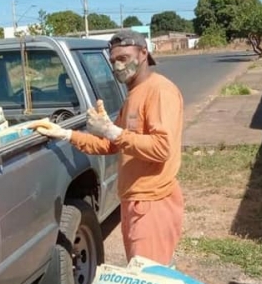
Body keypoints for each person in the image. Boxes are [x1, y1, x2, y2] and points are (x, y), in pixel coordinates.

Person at [30, 30, 185, 266]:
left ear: (143, 54)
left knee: (149, 277)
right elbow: (111, 144)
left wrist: (111, 130)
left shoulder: (159, 91)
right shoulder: (134, 93)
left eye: (123, 58)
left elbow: (162, 148)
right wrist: (65, 133)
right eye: (113, 61)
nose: (118, 66)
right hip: (135, 201)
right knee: (143, 272)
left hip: (152, 202)